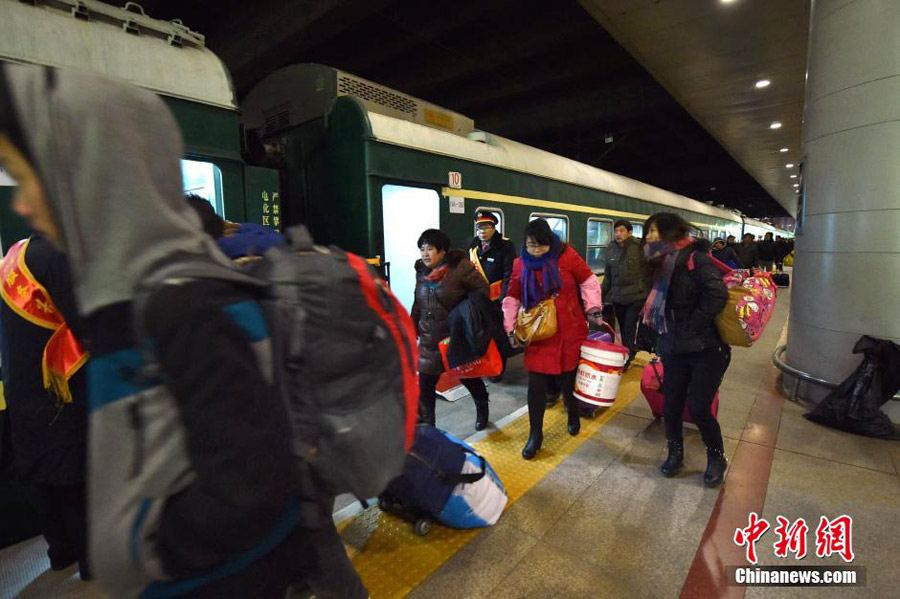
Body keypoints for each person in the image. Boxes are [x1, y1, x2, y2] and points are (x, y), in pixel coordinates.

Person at [0, 64, 367, 599]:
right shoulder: (129, 288)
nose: (22, 203)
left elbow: (250, 486)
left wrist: (141, 567)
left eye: (31, 177)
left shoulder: (181, 296)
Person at [0, 233, 90, 579]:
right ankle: (89, 561)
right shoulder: (58, 257)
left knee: (42, 478)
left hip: (21, 387)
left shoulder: (15, 254)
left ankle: (60, 553)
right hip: (60, 384)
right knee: (74, 476)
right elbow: (83, 324)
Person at [641, 213, 730, 488]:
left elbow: (717, 294)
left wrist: (692, 326)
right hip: (673, 347)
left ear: (669, 232)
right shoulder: (658, 261)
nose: (648, 237)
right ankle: (675, 453)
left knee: (700, 407)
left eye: (653, 231)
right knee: (671, 405)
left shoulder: (694, 258)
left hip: (705, 349)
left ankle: (716, 458)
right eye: (648, 232)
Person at [503, 219, 603, 460]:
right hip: (538, 333)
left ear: (550, 242)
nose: (536, 251)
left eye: (541, 246)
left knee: (567, 380)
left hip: (568, 329)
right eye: (531, 246)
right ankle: (535, 434)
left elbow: (588, 280)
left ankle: (572, 412)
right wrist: (510, 328)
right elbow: (512, 297)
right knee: (536, 385)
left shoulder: (567, 256)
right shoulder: (520, 264)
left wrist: (593, 308)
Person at [412, 228, 492, 430]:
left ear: (442, 251)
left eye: (430, 249)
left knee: (468, 378)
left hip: (454, 337)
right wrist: (412, 329)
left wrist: (464, 312)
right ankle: (429, 426)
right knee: (426, 387)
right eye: (422, 249)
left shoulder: (460, 268)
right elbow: (418, 303)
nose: (425, 254)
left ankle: (482, 405)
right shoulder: (421, 271)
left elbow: (483, 289)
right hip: (429, 338)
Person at [468, 211, 517, 382]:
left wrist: (504, 298)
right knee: (481, 335)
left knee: (497, 337)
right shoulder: (474, 246)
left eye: (486, 227)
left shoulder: (505, 246)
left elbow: (509, 274)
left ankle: (498, 369)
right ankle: (485, 365)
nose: (482, 231)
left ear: (494, 227)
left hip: (497, 301)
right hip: (478, 300)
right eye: (479, 227)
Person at [601, 219, 650, 369]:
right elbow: (608, 277)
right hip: (617, 297)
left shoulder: (640, 247)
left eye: (622, 231)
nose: (618, 234)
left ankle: (627, 358)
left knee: (629, 327)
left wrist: (648, 292)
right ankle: (630, 350)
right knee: (622, 327)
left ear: (630, 232)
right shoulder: (610, 249)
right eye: (616, 231)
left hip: (636, 296)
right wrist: (601, 296)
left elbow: (650, 270)